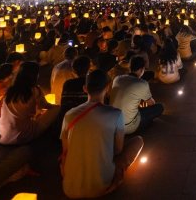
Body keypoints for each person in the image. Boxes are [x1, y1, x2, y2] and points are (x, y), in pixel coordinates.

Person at [60, 70, 144, 198]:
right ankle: (115, 178)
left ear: (85, 88)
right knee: (138, 141)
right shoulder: (115, 114)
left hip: (70, 188)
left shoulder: (69, 114)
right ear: (107, 88)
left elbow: (66, 149)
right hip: (102, 186)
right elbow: (118, 150)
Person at [0, 62, 61, 145]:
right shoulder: (34, 90)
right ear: (34, 75)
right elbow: (46, 106)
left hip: (2, 137)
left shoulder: (10, 90)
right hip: (21, 136)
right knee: (56, 108)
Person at [110, 56, 163, 135]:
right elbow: (151, 103)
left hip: (114, 125)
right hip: (129, 127)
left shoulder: (117, 79)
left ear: (130, 67)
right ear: (142, 69)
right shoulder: (142, 83)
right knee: (159, 107)